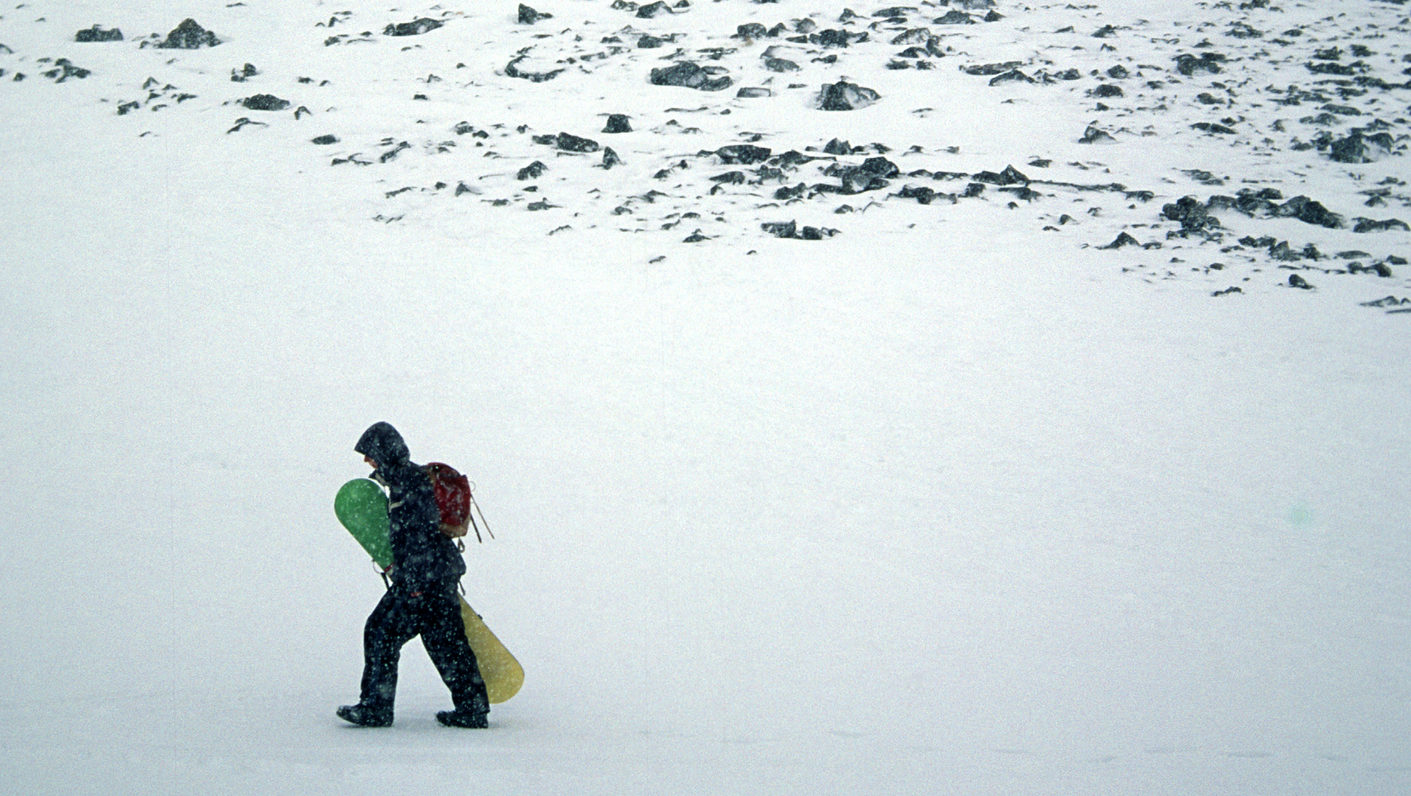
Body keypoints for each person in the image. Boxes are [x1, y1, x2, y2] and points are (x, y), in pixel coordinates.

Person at [338, 422, 490, 728]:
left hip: (422, 579)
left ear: (384, 452)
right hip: (437, 575)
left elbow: (419, 536)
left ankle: (376, 708)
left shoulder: (409, 484)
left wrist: (414, 585)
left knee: (380, 631)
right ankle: (472, 709)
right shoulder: (406, 481)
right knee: (445, 642)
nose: (367, 461)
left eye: (370, 454)